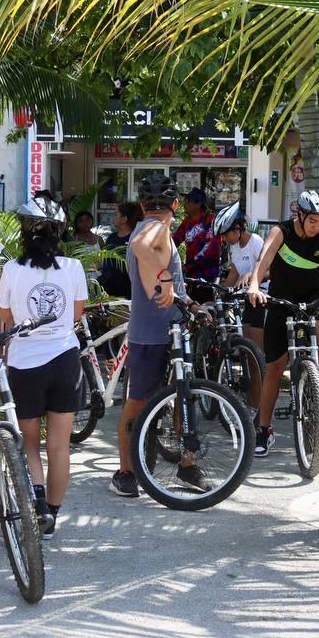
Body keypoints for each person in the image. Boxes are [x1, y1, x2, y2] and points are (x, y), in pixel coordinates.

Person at [0, 197, 88, 540]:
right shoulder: (73, 268)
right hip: (65, 360)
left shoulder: (12, 270)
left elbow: (5, 318)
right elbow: (76, 315)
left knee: (30, 442)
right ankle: (54, 515)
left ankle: (37, 502)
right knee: (60, 446)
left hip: (25, 364)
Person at [112, 174, 209, 497]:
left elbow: (174, 287)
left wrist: (192, 303)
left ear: (141, 205)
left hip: (169, 330)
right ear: (177, 206)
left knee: (183, 397)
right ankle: (125, 471)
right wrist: (165, 277)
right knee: (139, 402)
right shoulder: (151, 229)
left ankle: (185, 465)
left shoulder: (153, 229)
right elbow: (141, 248)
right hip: (152, 333)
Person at [247, 190, 319, 457]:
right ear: (299, 215)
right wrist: (255, 285)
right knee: (274, 368)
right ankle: (263, 429)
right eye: (312, 221)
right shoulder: (281, 232)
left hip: (313, 298)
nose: (317, 227)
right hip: (281, 301)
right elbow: (263, 261)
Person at [215, 202, 267, 351]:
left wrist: (252, 275)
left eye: (225, 234)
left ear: (238, 228)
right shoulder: (234, 246)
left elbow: (273, 270)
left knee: (256, 347)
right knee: (245, 341)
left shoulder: (255, 242)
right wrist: (218, 296)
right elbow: (233, 274)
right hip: (248, 299)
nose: (224, 239)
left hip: (263, 299)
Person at [173, 187, 221, 282]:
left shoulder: (210, 220)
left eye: (188, 200)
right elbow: (175, 240)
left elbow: (212, 248)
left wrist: (191, 263)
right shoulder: (187, 221)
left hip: (208, 275)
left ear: (198, 204)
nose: (184, 203)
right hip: (191, 274)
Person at [97, 201, 141, 298]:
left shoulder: (135, 239)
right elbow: (102, 261)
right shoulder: (111, 237)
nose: (113, 217)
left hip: (128, 294)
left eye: (116, 214)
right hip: (107, 293)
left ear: (124, 219)